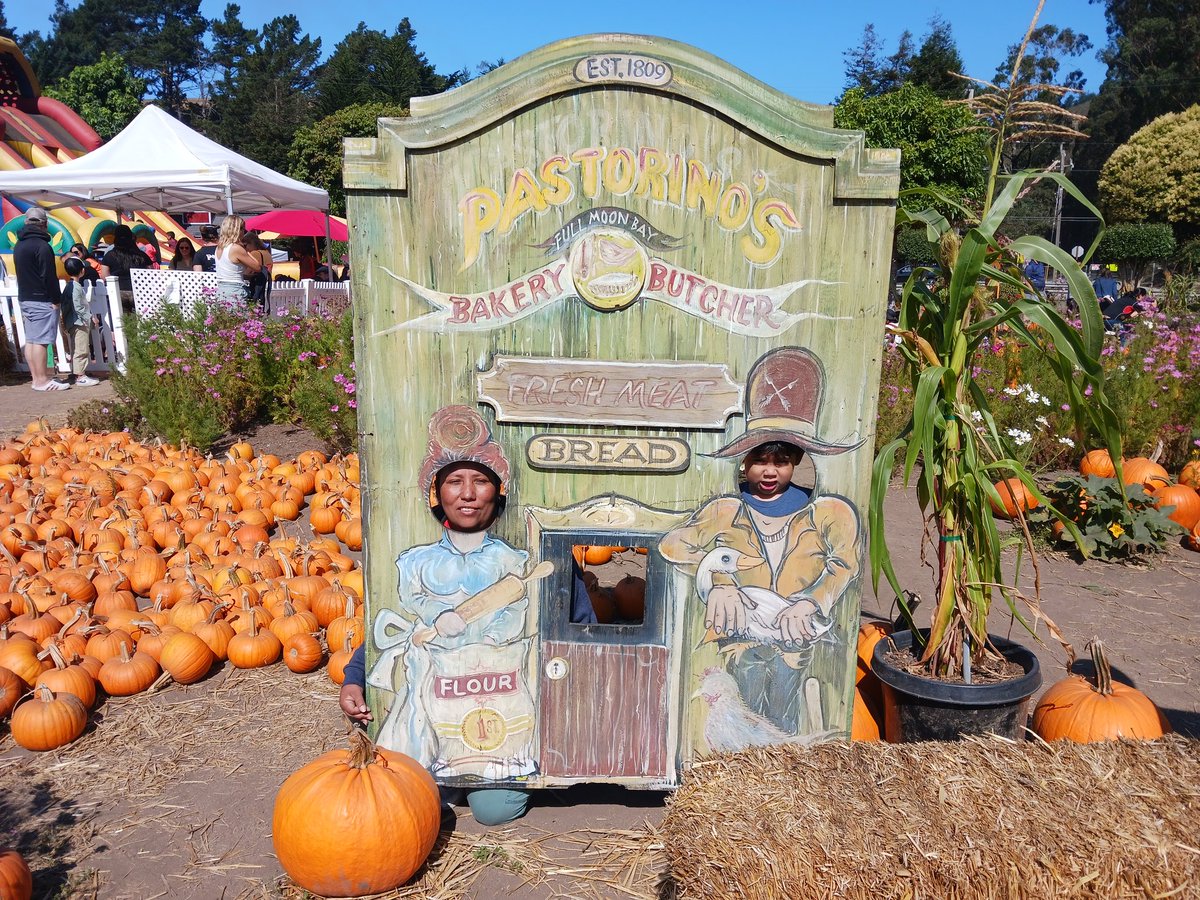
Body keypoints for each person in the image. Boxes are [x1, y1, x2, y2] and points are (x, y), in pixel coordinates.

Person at [340, 408, 534, 827]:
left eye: (480, 481)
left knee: (492, 810)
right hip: (429, 690)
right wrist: (354, 678)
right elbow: (397, 630)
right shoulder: (415, 561)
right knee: (410, 793)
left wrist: (491, 642)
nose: (467, 494)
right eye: (454, 481)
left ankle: (485, 778)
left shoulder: (514, 562)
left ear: (498, 492)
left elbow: (526, 623)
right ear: (437, 492)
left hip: (490, 691)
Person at [659, 348, 862, 741]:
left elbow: (845, 564)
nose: (770, 471)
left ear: (797, 462)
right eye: (759, 460)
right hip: (740, 638)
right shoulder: (726, 510)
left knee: (785, 711)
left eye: (782, 461)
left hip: (798, 636)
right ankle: (743, 778)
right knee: (743, 705)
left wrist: (811, 600)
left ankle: (782, 781)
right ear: (744, 461)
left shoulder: (828, 512)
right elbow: (674, 545)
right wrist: (718, 580)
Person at [14, 207, 69, 391]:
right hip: (41, 298)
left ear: (26, 222)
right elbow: (48, 275)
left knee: (31, 339)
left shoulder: (20, 245)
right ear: (44, 224)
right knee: (41, 341)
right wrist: (55, 299)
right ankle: (42, 380)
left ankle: (36, 378)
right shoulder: (42, 246)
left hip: (25, 296)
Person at [60, 258, 100, 387]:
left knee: (77, 348)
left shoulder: (69, 286)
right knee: (82, 348)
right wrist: (90, 316)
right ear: (82, 271)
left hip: (71, 321)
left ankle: (77, 372)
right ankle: (80, 376)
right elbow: (78, 306)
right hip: (79, 322)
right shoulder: (76, 287)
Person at [99, 224, 153, 312]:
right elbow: (151, 273)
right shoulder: (141, 255)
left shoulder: (109, 256)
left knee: (122, 321)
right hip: (139, 292)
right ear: (131, 237)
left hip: (118, 291)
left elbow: (104, 276)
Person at [213, 216, 262, 303]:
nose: (244, 232)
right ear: (236, 230)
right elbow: (257, 266)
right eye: (242, 228)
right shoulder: (236, 248)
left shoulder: (219, 247)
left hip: (221, 290)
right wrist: (245, 249)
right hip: (235, 290)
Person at [240, 232, 273, 308]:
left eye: (245, 245)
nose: (244, 248)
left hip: (254, 286)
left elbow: (247, 273)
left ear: (251, 243)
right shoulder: (267, 253)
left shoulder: (254, 253)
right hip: (263, 285)